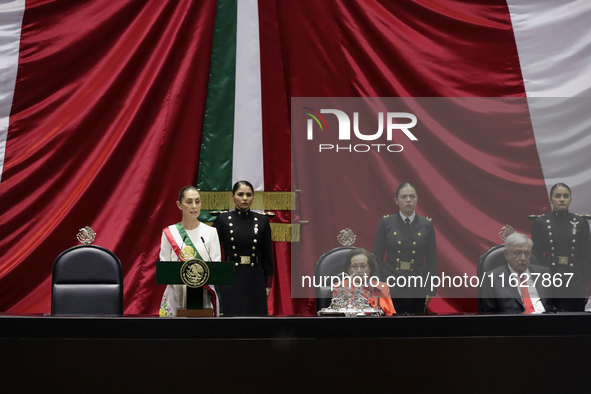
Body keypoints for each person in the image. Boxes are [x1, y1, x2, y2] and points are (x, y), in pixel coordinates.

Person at [373, 182, 437, 314]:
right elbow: (376, 259)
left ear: (417, 199)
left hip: (417, 283)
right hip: (391, 282)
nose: (408, 200)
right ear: (396, 200)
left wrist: (430, 290)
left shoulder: (427, 224)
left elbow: (432, 260)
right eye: (404, 197)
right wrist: (377, 287)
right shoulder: (386, 222)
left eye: (412, 196)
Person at [213, 181, 273, 316]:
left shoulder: (262, 221)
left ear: (253, 197)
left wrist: (268, 284)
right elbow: (213, 251)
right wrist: (217, 280)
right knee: (232, 320)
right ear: (232, 196)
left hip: (255, 277)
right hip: (230, 277)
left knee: (256, 321)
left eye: (248, 194)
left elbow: (267, 254)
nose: (245, 198)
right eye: (240, 194)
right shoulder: (222, 219)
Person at [159, 185, 221, 317]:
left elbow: (217, 268)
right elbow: (164, 267)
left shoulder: (211, 232)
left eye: (197, 202)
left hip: (202, 298)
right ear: (179, 205)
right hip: (175, 297)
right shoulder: (169, 233)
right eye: (189, 202)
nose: (194, 206)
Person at [531, 183, 591, 311]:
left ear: (570, 199)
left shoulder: (580, 223)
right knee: (550, 320)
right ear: (550, 199)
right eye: (557, 196)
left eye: (565, 196)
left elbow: (586, 256)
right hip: (550, 277)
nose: (562, 199)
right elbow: (536, 256)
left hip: (575, 279)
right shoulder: (540, 223)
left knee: (575, 322)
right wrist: (537, 281)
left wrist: (587, 286)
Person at [481, 233, 556, 314]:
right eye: (518, 253)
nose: (523, 258)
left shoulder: (545, 273)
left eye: (527, 254)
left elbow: (557, 306)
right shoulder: (492, 278)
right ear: (507, 254)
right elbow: (488, 314)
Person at [332, 248, 396, 315]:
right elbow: (341, 315)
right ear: (348, 269)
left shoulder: (383, 288)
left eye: (363, 266)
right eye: (355, 266)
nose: (359, 270)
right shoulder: (339, 287)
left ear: (370, 269)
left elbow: (392, 315)